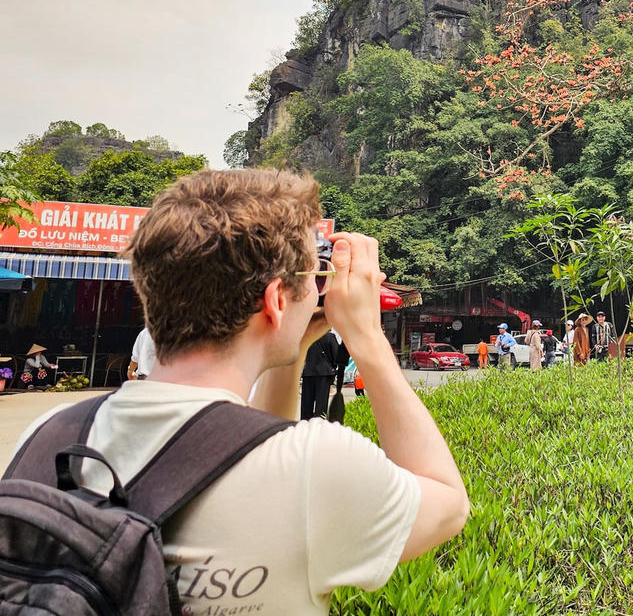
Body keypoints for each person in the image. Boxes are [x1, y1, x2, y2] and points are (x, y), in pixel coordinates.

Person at [8, 168, 469, 614]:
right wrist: (367, 336)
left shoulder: (49, 433)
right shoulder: (316, 465)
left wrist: (294, 340)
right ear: (275, 300)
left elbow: (248, 438)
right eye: (314, 277)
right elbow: (447, 504)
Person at [300, 329, 339, 419]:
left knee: (306, 403)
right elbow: (337, 356)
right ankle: (318, 425)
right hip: (324, 373)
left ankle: (305, 424)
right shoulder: (330, 337)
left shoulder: (306, 337)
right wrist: (332, 367)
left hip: (307, 372)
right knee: (321, 403)